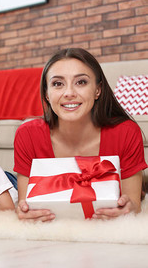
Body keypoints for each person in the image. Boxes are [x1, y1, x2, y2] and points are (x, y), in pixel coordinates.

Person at [14, 48, 147, 222]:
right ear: (46, 94)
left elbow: (134, 206)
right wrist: (24, 211)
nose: (69, 93)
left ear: (98, 90)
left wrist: (130, 207)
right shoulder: (27, 134)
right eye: (57, 84)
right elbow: (25, 205)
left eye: (81, 82)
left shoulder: (126, 132)